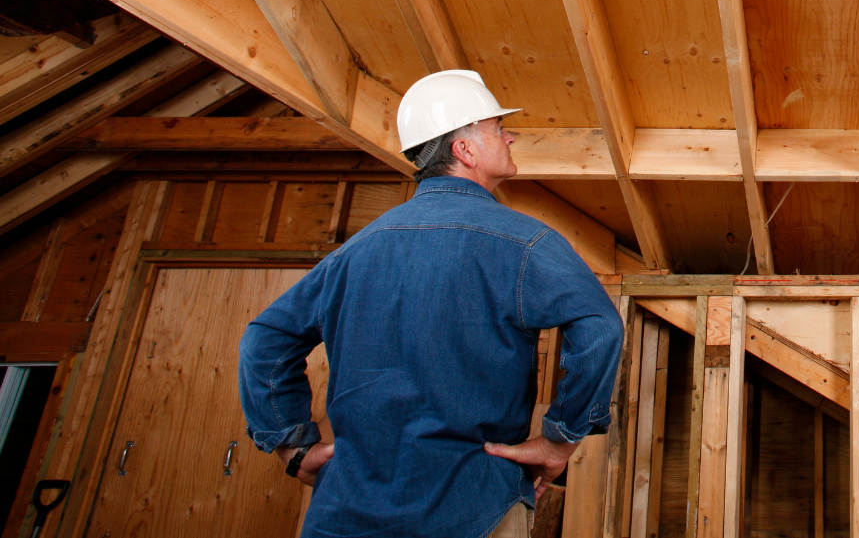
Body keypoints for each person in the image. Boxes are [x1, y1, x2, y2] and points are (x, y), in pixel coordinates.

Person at [238, 70, 624, 538]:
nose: (511, 136)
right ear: (464, 150)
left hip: (346, 510)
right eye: (498, 129)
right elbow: (600, 328)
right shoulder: (525, 242)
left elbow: (265, 339)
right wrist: (560, 440)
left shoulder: (355, 251)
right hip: (472, 505)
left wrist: (291, 444)